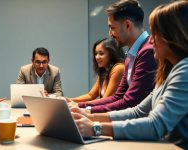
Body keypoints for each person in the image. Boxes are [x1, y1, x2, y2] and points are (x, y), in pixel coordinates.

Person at [71, 1, 188, 148]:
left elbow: (155, 124)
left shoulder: (184, 71)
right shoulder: (168, 70)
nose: (151, 40)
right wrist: (90, 116)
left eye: (156, 33)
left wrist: (95, 127)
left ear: (172, 36)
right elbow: (137, 111)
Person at [73, 0, 157, 113]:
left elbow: (130, 102)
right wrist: (79, 106)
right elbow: (117, 97)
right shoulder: (132, 54)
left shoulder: (147, 52)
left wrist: (86, 110)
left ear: (127, 25)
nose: (110, 34)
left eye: (112, 28)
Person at [69, 38, 125, 102]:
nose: (97, 57)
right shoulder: (104, 71)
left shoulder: (118, 68)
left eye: (101, 53)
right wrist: (69, 100)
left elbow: (105, 100)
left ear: (112, 54)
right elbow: (90, 95)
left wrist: (78, 105)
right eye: (96, 54)